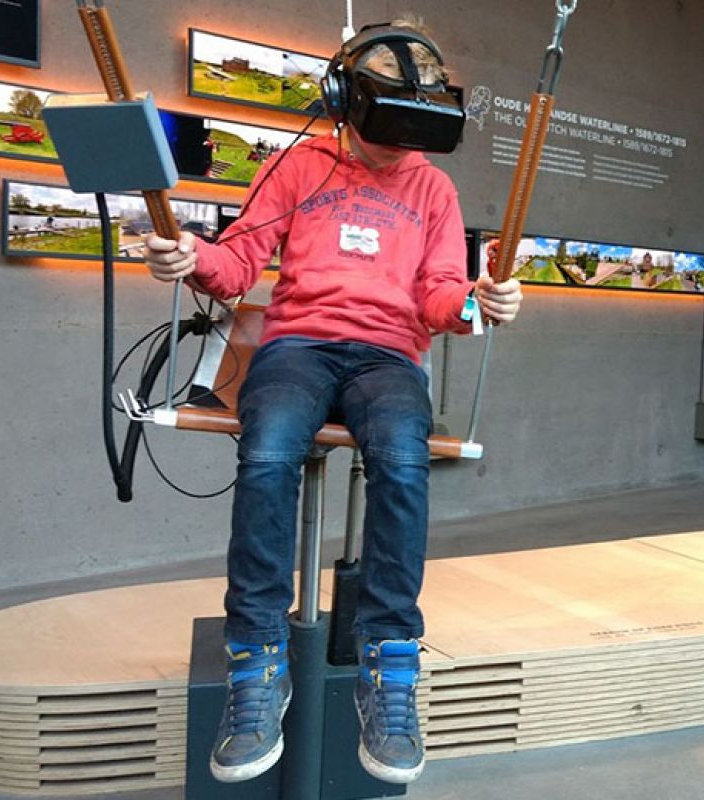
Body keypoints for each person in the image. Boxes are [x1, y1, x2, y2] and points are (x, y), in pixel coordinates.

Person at [141, 17, 520, 785]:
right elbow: (241, 257)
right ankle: (256, 657)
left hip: (389, 356)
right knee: (271, 445)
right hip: (299, 346)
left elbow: (442, 295)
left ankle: (390, 661)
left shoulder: (432, 187)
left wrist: (481, 303)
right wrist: (191, 257)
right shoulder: (299, 166)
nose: (400, 146)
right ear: (343, 99)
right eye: (389, 125)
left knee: (403, 460)